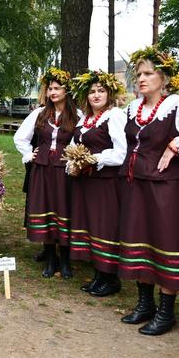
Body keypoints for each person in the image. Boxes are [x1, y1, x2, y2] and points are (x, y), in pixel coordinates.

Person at [117, 47, 179, 335]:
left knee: (165, 243)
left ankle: (166, 313)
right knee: (138, 240)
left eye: (148, 73)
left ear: (164, 77)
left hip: (166, 189)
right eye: (138, 74)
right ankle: (145, 304)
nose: (141, 79)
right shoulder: (132, 108)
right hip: (135, 185)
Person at [14, 67, 80, 278]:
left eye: (57, 88)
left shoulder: (77, 115)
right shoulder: (39, 114)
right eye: (50, 88)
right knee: (46, 208)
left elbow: (82, 142)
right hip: (42, 170)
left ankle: (66, 261)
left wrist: (75, 159)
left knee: (64, 211)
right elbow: (20, 138)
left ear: (66, 91)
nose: (53, 92)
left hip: (65, 172)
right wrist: (28, 155)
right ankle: (51, 260)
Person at [67, 70, 127, 297]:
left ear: (109, 93)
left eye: (101, 91)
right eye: (92, 91)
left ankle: (111, 278)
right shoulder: (85, 119)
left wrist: (95, 158)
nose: (96, 95)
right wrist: (72, 163)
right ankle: (99, 275)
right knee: (91, 226)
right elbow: (73, 146)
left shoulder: (115, 116)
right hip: (85, 182)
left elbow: (122, 152)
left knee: (105, 226)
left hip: (106, 183)